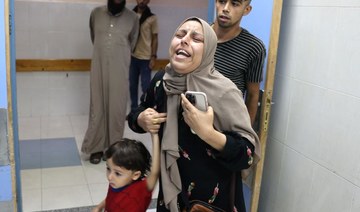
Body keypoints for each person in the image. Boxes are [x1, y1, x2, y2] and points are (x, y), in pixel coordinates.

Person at [127, 17, 260, 212]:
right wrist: (141, 119)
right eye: (179, 35)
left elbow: (247, 155)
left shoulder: (224, 91)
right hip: (171, 196)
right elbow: (136, 114)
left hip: (211, 202)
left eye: (196, 39)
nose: (184, 40)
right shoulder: (162, 81)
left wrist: (209, 134)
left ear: (208, 51)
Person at [81, 0, 139, 164]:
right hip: (98, 67)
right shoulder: (96, 14)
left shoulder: (133, 18)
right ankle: (96, 149)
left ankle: (114, 149)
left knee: (117, 110)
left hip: (120, 70)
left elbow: (132, 43)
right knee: (97, 107)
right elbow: (95, 38)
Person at [212, 0, 266, 127]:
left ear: (246, 10)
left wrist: (245, 135)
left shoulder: (254, 48)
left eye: (235, 4)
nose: (225, 8)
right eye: (222, 1)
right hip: (189, 119)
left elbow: (253, 95)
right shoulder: (198, 35)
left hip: (226, 127)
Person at [92, 136, 160, 211]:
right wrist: (99, 207)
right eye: (108, 169)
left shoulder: (140, 190)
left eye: (118, 173)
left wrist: (155, 135)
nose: (110, 177)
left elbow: (155, 172)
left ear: (136, 175)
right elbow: (110, 198)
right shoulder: (116, 183)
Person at [129, 0, 159, 112]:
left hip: (145, 58)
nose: (141, 1)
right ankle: (133, 111)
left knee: (146, 87)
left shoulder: (152, 18)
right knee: (132, 86)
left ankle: (146, 111)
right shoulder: (131, 15)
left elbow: (155, 38)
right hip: (132, 57)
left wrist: (153, 56)